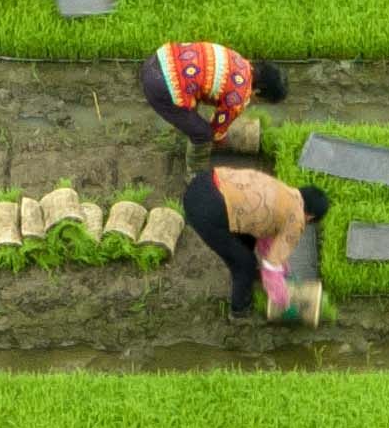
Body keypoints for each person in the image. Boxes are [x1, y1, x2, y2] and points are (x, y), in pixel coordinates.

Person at [180, 162, 330, 326]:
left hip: (203, 183)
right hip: (208, 209)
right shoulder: (297, 219)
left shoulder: (286, 193)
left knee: (247, 242)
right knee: (245, 264)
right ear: (310, 217)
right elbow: (272, 266)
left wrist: (282, 269)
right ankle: (240, 313)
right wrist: (283, 300)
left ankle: (244, 277)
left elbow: (267, 239)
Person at [139, 40, 287, 159]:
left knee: (191, 114)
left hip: (157, 59)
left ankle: (183, 138)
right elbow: (216, 133)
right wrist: (223, 139)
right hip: (160, 86)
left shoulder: (239, 60)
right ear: (259, 91)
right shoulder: (239, 97)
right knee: (204, 134)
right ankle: (196, 176)